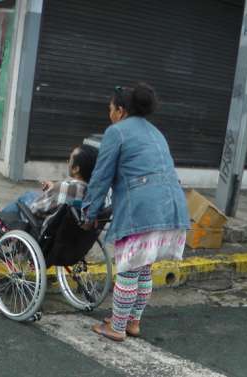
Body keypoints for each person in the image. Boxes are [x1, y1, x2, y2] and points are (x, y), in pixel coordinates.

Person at [82, 83, 189, 342]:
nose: (109, 114)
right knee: (143, 269)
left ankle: (116, 327)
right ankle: (133, 323)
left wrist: (89, 212)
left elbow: (101, 176)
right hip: (171, 207)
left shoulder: (116, 132)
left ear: (120, 110)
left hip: (142, 209)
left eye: (110, 109)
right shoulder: (156, 132)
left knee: (129, 270)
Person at [1, 145, 98, 220]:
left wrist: (54, 189)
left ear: (76, 169)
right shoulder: (92, 193)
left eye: (70, 160)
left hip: (40, 226)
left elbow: (34, 209)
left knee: (25, 198)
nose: (68, 162)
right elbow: (68, 199)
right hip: (68, 233)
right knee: (32, 194)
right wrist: (53, 189)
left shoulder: (63, 187)